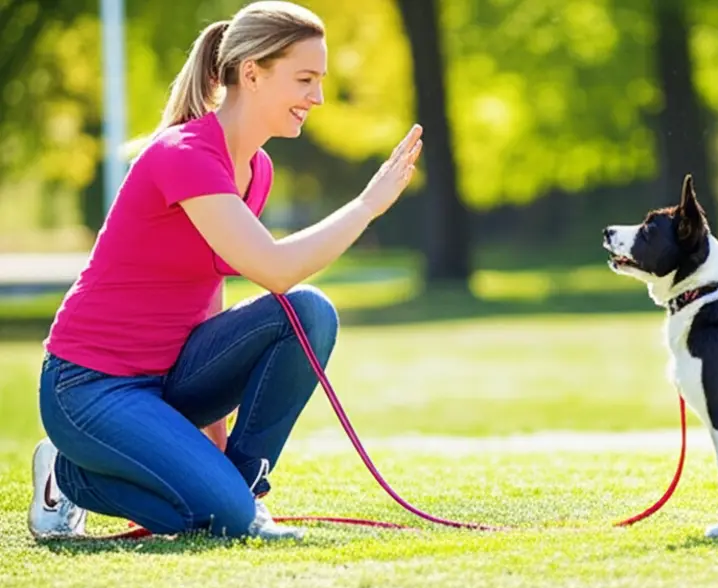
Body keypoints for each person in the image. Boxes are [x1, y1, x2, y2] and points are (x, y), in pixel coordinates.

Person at [27, 0, 423, 541]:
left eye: (320, 80)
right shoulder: (183, 154)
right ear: (252, 73)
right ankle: (68, 472)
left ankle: (240, 490)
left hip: (168, 379)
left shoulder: (256, 168)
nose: (318, 97)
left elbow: (207, 291)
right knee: (217, 520)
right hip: (92, 386)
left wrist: (216, 439)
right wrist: (367, 205)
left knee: (309, 313)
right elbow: (275, 269)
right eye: (305, 79)